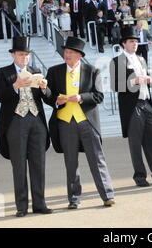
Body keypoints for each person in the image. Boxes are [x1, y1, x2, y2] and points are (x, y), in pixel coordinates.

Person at [46, 37, 115, 208]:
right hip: (65, 122)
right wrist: (55, 100)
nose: (66, 55)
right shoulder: (54, 71)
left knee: (97, 160)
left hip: (87, 122)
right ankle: (74, 199)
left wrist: (81, 97)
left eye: (70, 52)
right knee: (71, 163)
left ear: (79, 55)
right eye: (65, 52)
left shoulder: (92, 71)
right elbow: (48, 96)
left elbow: (99, 96)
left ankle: (107, 195)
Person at [0, 36, 53, 217]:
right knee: (19, 165)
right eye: (21, 55)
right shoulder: (4, 72)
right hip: (16, 122)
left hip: (36, 121)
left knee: (38, 163)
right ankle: (21, 206)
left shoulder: (36, 70)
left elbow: (49, 98)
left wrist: (45, 88)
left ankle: (39, 203)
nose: (24, 58)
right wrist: (15, 86)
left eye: (27, 55)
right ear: (13, 55)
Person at [110, 28, 152, 187]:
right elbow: (115, 86)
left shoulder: (141, 59)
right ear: (123, 44)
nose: (134, 44)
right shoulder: (117, 61)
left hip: (146, 102)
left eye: (136, 41)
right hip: (132, 106)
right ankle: (139, 176)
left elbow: (147, 79)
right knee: (135, 142)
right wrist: (135, 81)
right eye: (131, 41)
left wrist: (149, 80)